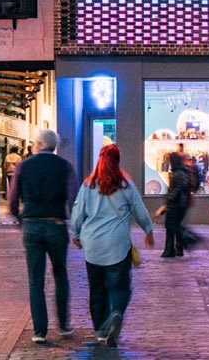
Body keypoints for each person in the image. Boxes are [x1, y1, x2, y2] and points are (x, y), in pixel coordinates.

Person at [69, 144, 154, 347]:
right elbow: (139, 209)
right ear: (118, 161)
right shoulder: (125, 185)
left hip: (93, 245)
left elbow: (78, 212)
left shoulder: (88, 185)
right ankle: (116, 312)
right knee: (120, 286)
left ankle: (100, 330)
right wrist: (148, 230)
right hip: (117, 244)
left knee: (96, 289)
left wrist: (76, 233)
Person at [8, 127, 80, 344]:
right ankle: (64, 325)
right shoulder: (64, 166)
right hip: (56, 224)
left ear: (38, 145)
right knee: (60, 273)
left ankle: (40, 330)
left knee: (35, 279)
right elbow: (73, 195)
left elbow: (12, 199)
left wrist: (21, 218)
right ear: (54, 146)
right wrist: (66, 216)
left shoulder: (24, 166)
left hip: (32, 224)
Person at [157, 150, 195, 257]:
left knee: (170, 226)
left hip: (175, 204)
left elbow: (176, 190)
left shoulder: (177, 173)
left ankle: (170, 250)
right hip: (181, 204)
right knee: (176, 225)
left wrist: (168, 199)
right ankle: (178, 248)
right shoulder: (184, 172)